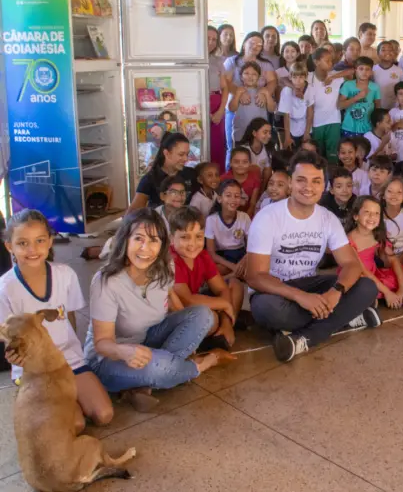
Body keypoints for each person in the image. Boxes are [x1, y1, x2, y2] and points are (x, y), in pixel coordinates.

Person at [85, 209, 233, 411]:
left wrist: (190, 332)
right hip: (108, 358)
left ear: (163, 244)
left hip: (146, 338)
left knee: (202, 314)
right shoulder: (107, 281)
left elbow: (172, 298)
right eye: (138, 238)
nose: (145, 248)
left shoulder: (164, 267)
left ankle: (145, 383)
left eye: (154, 240)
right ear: (125, 240)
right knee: (159, 365)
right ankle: (205, 363)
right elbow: (102, 344)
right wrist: (123, 351)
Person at [245, 151, 381, 362]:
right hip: (274, 291)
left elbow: (351, 263)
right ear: (290, 182)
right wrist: (301, 297)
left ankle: (305, 337)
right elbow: (255, 276)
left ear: (324, 185)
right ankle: (343, 319)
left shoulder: (328, 219)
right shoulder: (267, 217)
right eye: (301, 180)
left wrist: (336, 292)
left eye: (316, 181)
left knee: (366, 287)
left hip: (309, 283)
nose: (308, 188)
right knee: (266, 310)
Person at [0, 210, 113, 428]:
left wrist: (72, 351)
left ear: (50, 241)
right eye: (23, 243)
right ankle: (62, 403)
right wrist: (16, 357)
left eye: (40, 241)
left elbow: (69, 318)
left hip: (68, 359)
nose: (32, 250)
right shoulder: (6, 288)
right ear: (9, 247)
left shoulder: (65, 274)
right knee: (76, 425)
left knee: (104, 414)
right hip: (34, 368)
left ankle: (71, 398)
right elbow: (6, 333)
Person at [170, 207, 245, 350]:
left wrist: (226, 320)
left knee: (235, 285)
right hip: (178, 311)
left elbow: (221, 288)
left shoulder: (202, 256)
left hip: (197, 301)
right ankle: (209, 337)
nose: (192, 244)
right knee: (210, 318)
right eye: (185, 237)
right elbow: (188, 300)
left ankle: (226, 327)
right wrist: (225, 306)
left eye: (198, 236)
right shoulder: (171, 260)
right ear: (172, 239)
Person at [345, 196, 403, 309]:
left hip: (374, 274)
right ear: (355, 216)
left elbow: (394, 260)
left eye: (376, 213)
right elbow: (363, 271)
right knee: (362, 285)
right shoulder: (348, 240)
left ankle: (396, 295)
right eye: (367, 212)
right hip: (356, 276)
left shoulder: (377, 236)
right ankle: (380, 296)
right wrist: (387, 292)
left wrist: (402, 289)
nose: (372, 217)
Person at [223, 32, 277, 163]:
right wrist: (239, 93)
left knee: (259, 148)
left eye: (259, 44)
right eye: (252, 42)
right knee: (235, 147)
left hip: (258, 108)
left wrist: (265, 94)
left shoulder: (265, 64)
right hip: (237, 109)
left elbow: (272, 82)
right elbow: (225, 81)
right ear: (244, 44)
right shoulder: (232, 61)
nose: (256, 46)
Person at [129, 133, 198, 210]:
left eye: (187, 154)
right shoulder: (150, 179)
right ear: (167, 153)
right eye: (181, 154)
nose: (186, 159)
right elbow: (132, 213)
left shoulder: (191, 174)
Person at [205, 179, 251, 277]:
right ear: (219, 198)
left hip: (241, 255)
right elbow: (211, 253)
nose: (233, 200)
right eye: (228, 195)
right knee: (214, 271)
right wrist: (233, 266)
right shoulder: (211, 220)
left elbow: (251, 247)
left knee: (250, 269)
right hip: (222, 257)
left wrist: (242, 263)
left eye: (237, 196)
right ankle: (233, 276)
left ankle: (229, 277)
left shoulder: (244, 217)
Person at [307, 48, 344, 162]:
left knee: (333, 154)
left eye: (331, 60)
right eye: (327, 60)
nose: (331, 63)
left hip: (334, 121)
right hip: (316, 122)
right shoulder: (308, 77)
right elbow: (285, 79)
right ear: (316, 62)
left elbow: (353, 71)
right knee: (318, 154)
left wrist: (332, 77)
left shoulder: (336, 76)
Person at [339, 56, 381, 137]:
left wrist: (376, 125)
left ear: (371, 72)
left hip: (368, 128)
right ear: (355, 71)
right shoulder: (348, 85)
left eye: (367, 69)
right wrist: (356, 97)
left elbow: (378, 107)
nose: (364, 72)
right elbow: (340, 106)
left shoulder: (375, 87)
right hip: (348, 127)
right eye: (361, 69)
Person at [278, 61, 312, 150]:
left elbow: (310, 113)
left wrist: (307, 133)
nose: (298, 80)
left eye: (301, 77)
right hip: (291, 128)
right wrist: (287, 136)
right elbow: (286, 115)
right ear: (290, 77)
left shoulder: (310, 89)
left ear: (306, 77)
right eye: (295, 77)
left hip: (306, 126)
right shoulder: (286, 91)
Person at [207, 25, 228, 173]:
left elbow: (225, 88)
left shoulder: (218, 61)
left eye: (214, 39)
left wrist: (221, 110)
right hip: (196, 105)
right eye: (208, 38)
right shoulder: (188, 60)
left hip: (216, 104)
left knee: (217, 146)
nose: (211, 42)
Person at [382, 178, 403, 264]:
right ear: (383, 195)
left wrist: (398, 263)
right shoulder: (377, 215)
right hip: (382, 258)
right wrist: (385, 261)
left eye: (399, 192)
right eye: (390, 191)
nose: (394, 195)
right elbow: (377, 245)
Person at [222, 147, 262, 215]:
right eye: (236, 162)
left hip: (247, 215)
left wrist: (245, 219)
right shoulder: (223, 179)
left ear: (250, 163)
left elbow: (252, 204)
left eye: (245, 162)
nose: (240, 165)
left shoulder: (255, 179)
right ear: (230, 163)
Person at [236, 117, 274, 188]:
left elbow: (267, 172)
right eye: (265, 132)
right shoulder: (243, 149)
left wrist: (262, 190)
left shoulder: (268, 149)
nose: (269, 136)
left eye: (270, 132)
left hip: (260, 185)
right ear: (254, 133)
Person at [373, 41, 403, 110]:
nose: (387, 52)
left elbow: (402, 90)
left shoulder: (399, 71)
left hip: (395, 109)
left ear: (394, 53)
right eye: (383, 50)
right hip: (377, 108)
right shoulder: (372, 70)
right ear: (378, 54)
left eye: (390, 50)